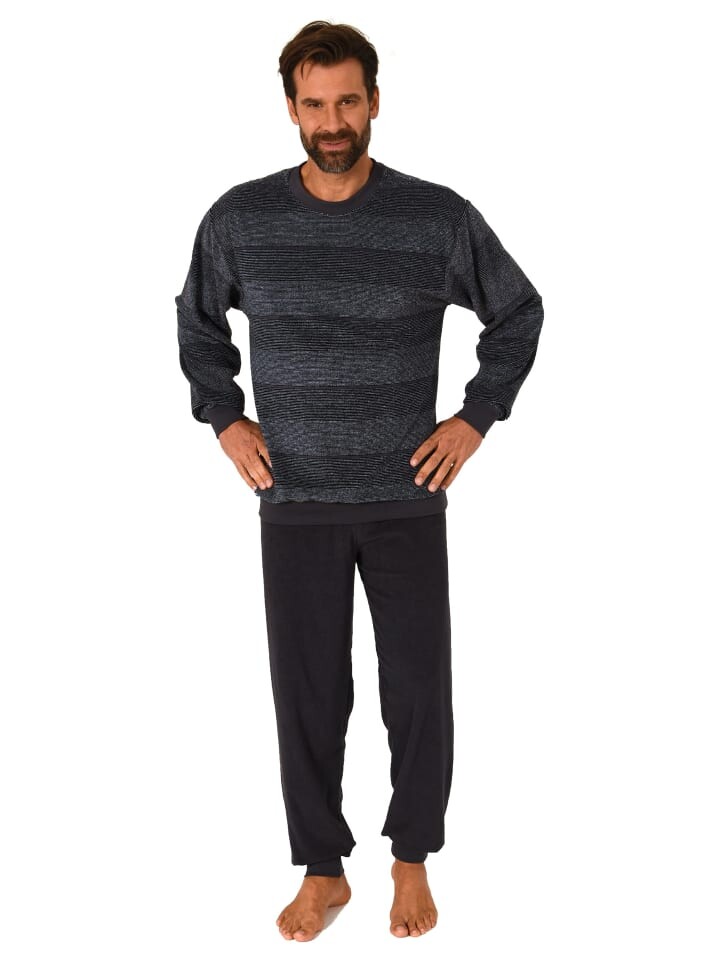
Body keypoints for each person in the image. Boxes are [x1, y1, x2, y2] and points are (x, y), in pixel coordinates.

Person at [175, 19, 544, 942]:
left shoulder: (434, 217)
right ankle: (323, 871)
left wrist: (475, 418)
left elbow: (518, 311)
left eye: (348, 101)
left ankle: (411, 859)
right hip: (293, 495)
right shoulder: (241, 220)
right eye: (315, 104)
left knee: (417, 690)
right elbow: (196, 322)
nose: (332, 122)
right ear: (290, 109)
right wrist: (224, 417)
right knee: (307, 696)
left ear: (375, 100)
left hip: (402, 494)